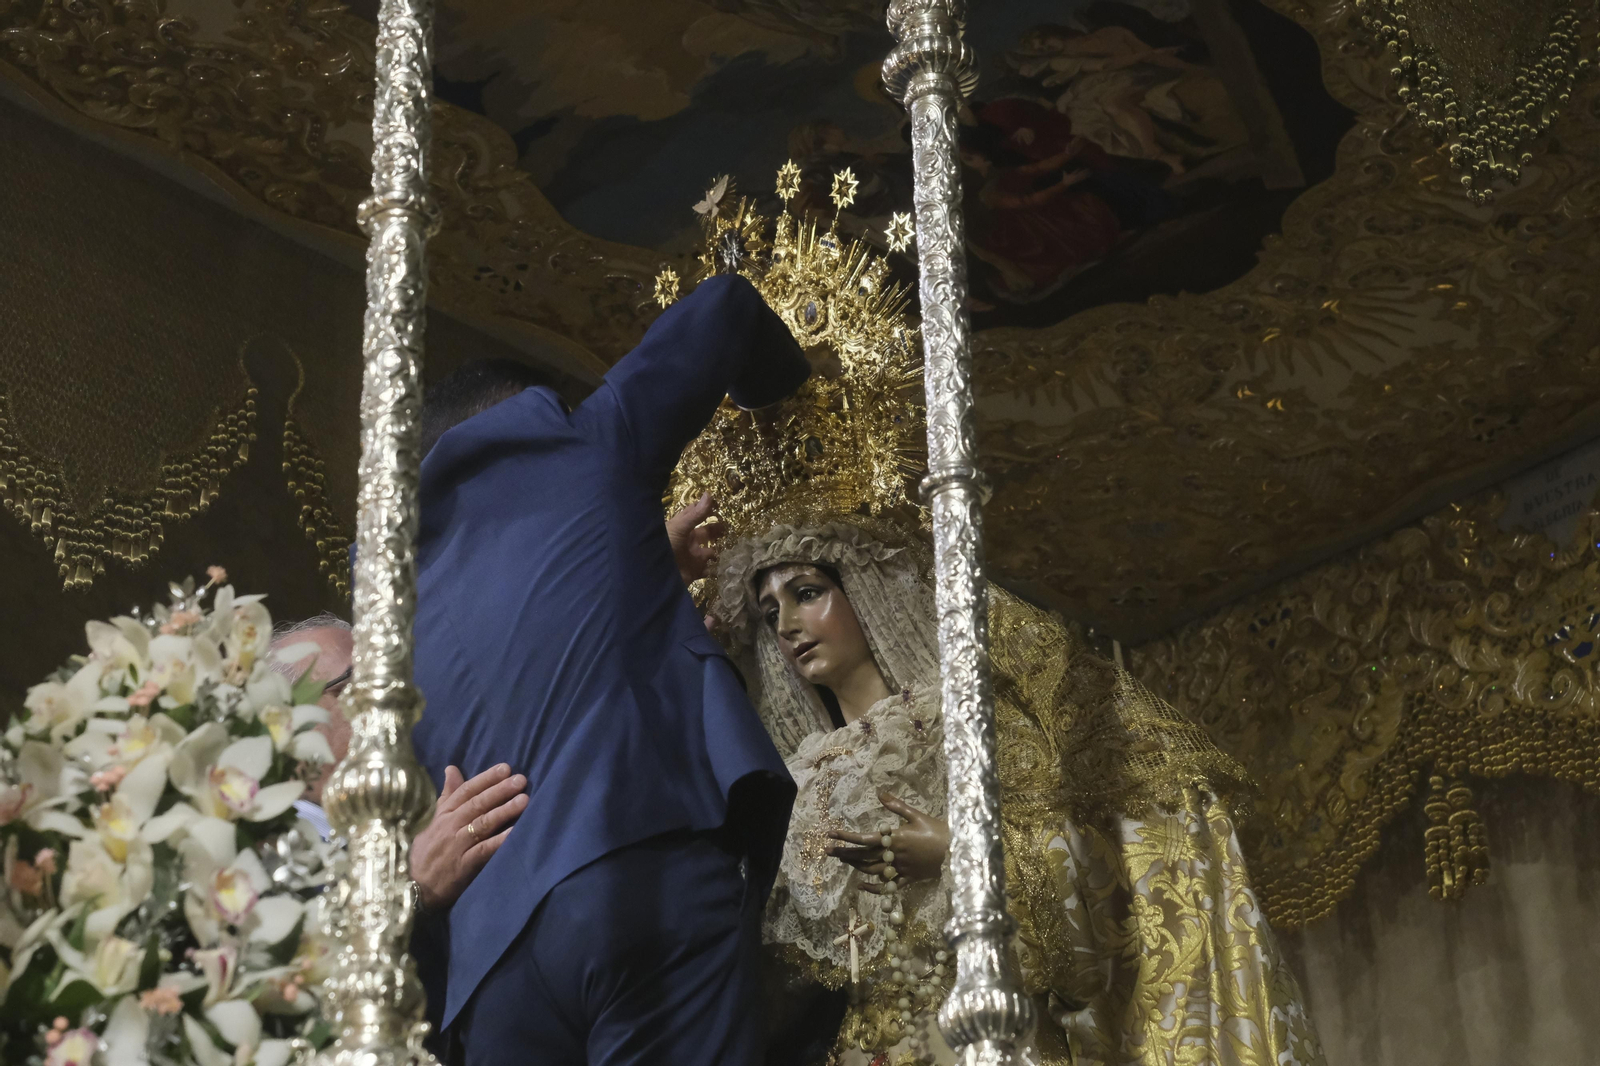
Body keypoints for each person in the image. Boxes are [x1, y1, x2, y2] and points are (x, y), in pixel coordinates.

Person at [710, 518, 1327, 1065]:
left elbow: (1103, 861)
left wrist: (964, 855)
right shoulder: (799, 781)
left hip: (988, 1033)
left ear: (867, 592)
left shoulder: (973, 724)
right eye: (770, 615)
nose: (788, 626)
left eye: (808, 594)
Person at [410, 274, 810, 1064]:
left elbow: (535, 649)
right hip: (633, 879)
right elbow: (725, 305)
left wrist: (640, 564)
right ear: (528, 408)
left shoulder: (395, 586)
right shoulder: (582, 444)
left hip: (492, 973)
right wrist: (784, 389)